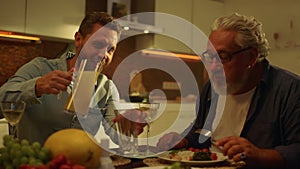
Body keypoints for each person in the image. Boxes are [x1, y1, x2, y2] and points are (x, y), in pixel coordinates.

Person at [156, 13, 300, 169]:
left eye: (222, 57)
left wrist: (259, 155)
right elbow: (200, 134)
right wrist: (183, 140)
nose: (212, 67)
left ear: (251, 58)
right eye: (210, 57)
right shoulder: (211, 89)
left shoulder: (290, 90)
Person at [0, 12, 124, 144]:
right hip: (32, 162)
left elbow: (117, 133)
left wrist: (130, 124)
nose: (104, 55)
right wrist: (37, 87)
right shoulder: (39, 68)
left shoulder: (107, 87)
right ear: (78, 39)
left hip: (75, 163)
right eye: (98, 44)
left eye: (110, 49)